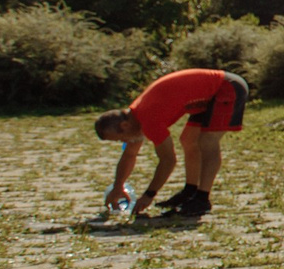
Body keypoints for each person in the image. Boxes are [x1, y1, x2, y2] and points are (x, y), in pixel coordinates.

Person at [94, 67, 250, 218]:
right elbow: (129, 154)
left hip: (226, 87)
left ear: (124, 126)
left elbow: (168, 161)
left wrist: (149, 195)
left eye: (120, 139)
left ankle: (202, 199)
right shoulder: (135, 118)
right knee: (188, 140)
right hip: (207, 97)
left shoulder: (148, 119)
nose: (123, 142)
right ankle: (190, 192)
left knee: (207, 141)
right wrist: (118, 186)